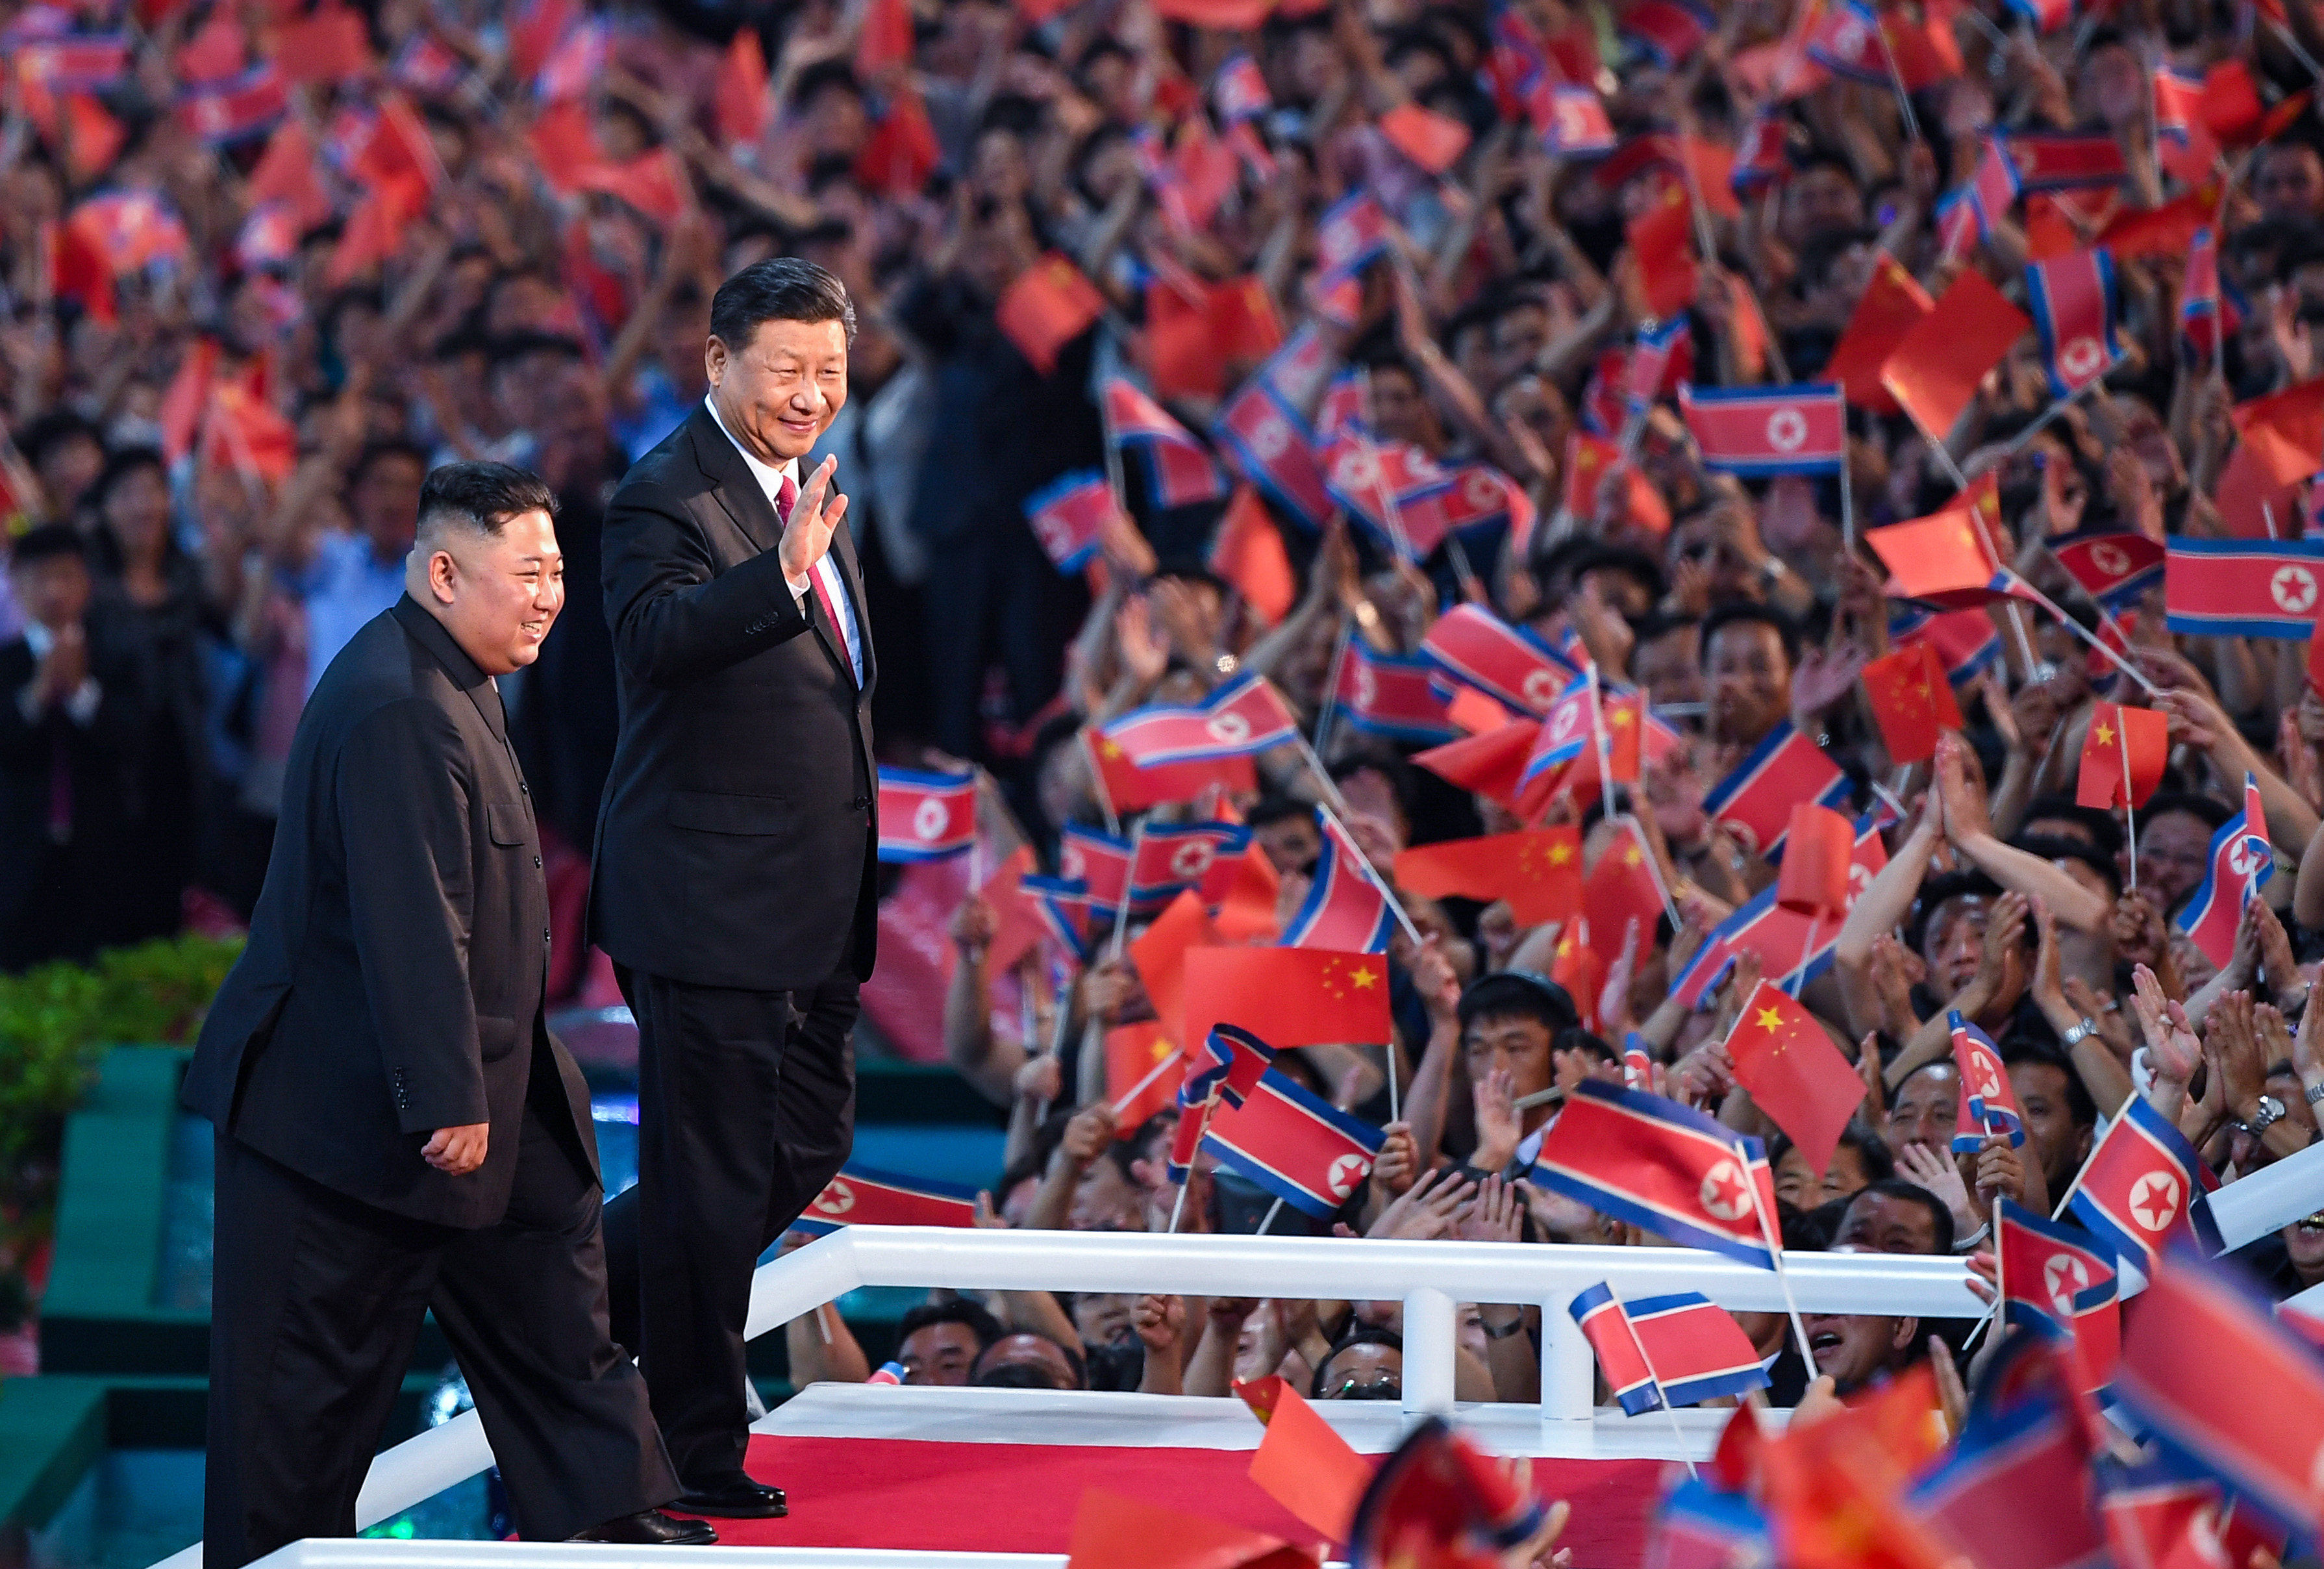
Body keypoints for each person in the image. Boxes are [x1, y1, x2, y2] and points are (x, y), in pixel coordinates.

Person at [179, 464, 706, 1563]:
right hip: (350, 1124)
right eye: (527, 574)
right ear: (443, 571)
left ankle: (614, 1504)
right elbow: (412, 913)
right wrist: (448, 1093)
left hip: (482, 1097)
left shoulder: (449, 666)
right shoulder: (399, 704)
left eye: (557, 570)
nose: (549, 595)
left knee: (554, 1300)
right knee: (295, 1417)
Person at [593, 257, 877, 1520]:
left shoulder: (801, 489)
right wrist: (777, 574)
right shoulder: (664, 494)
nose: (810, 392)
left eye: (829, 370)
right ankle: (696, 1444)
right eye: (785, 369)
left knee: (808, 1139)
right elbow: (655, 642)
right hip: (706, 903)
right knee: (708, 1178)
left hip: (806, 907)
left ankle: (577, 1294)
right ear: (716, 362)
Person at [0, 525, 153, 970]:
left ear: (85, 583)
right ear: (18, 585)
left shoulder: (115, 655)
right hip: (20, 858)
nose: (53, 591)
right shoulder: (6, 664)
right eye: (40, 578)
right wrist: (38, 695)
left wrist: (83, 691)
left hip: (100, 855)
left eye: (65, 577)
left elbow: (135, 740)